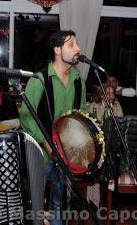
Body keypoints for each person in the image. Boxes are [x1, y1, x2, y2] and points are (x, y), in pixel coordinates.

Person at [19, 30, 88, 225]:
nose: (78, 49)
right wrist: (48, 145)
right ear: (57, 49)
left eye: (77, 43)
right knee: (35, 207)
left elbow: (81, 116)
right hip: (40, 154)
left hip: (66, 156)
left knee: (61, 205)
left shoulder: (78, 81)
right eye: (71, 44)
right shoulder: (39, 79)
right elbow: (26, 117)